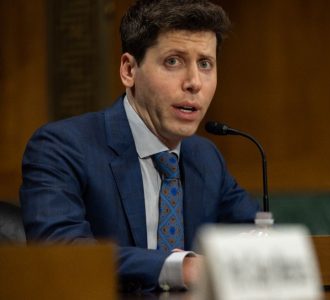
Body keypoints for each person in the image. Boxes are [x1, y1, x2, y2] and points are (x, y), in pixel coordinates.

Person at [19, 0, 259, 292]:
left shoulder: (205, 157)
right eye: (173, 61)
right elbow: (64, 253)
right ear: (129, 70)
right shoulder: (61, 148)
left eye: (205, 63)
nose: (194, 82)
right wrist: (181, 268)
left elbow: (255, 236)